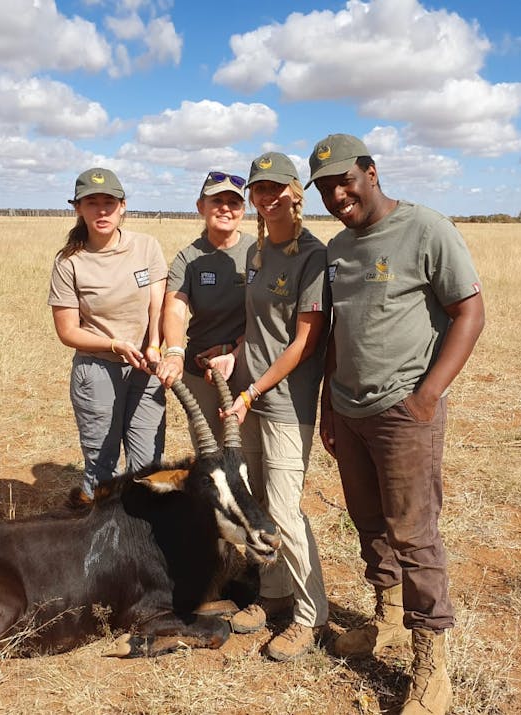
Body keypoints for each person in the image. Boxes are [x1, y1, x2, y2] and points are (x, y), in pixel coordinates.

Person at [306, 134, 485, 714]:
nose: (337, 195)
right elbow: (336, 333)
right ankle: (386, 618)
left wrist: (428, 396)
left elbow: (469, 311)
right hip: (350, 413)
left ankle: (431, 661)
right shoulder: (337, 249)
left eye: (344, 181)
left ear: (371, 172)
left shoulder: (426, 229)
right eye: (326, 188)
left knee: (414, 533)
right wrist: (330, 408)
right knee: (368, 521)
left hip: (405, 413)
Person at [209, 152, 330, 662]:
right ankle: (275, 592)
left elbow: (304, 340)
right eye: (259, 189)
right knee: (257, 502)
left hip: (283, 402)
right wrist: (233, 356)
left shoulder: (312, 255)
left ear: (295, 192)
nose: (267, 197)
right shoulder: (258, 252)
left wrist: (252, 391)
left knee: (283, 510)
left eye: (277, 187)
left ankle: (311, 617)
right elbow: (258, 329)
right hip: (250, 395)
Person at [48, 167, 167, 499]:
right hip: (98, 368)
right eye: (92, 202)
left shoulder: (146, 246)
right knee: (102, 468)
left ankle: (142, 541)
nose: (101, 211)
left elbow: (158, 302)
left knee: (149, 467)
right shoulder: (69, 261)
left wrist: (155, 344)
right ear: (78, 208)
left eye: (109, 202)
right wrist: (114, 344)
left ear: (123, 206)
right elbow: (68, 331)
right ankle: (99, 543)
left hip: (147, 367)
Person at [156, 171, 253, 443]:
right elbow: (174, 309)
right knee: (208, 448)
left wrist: (233, 350)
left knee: (244, 449)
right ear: (201, 207)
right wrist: (175, 352)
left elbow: (270, 316)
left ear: (243, 211)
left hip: (247, 365)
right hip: (202, 370)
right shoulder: (188, 258)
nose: (225, 208)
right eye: (216, 200)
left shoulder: (258, 252)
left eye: (233, 202)